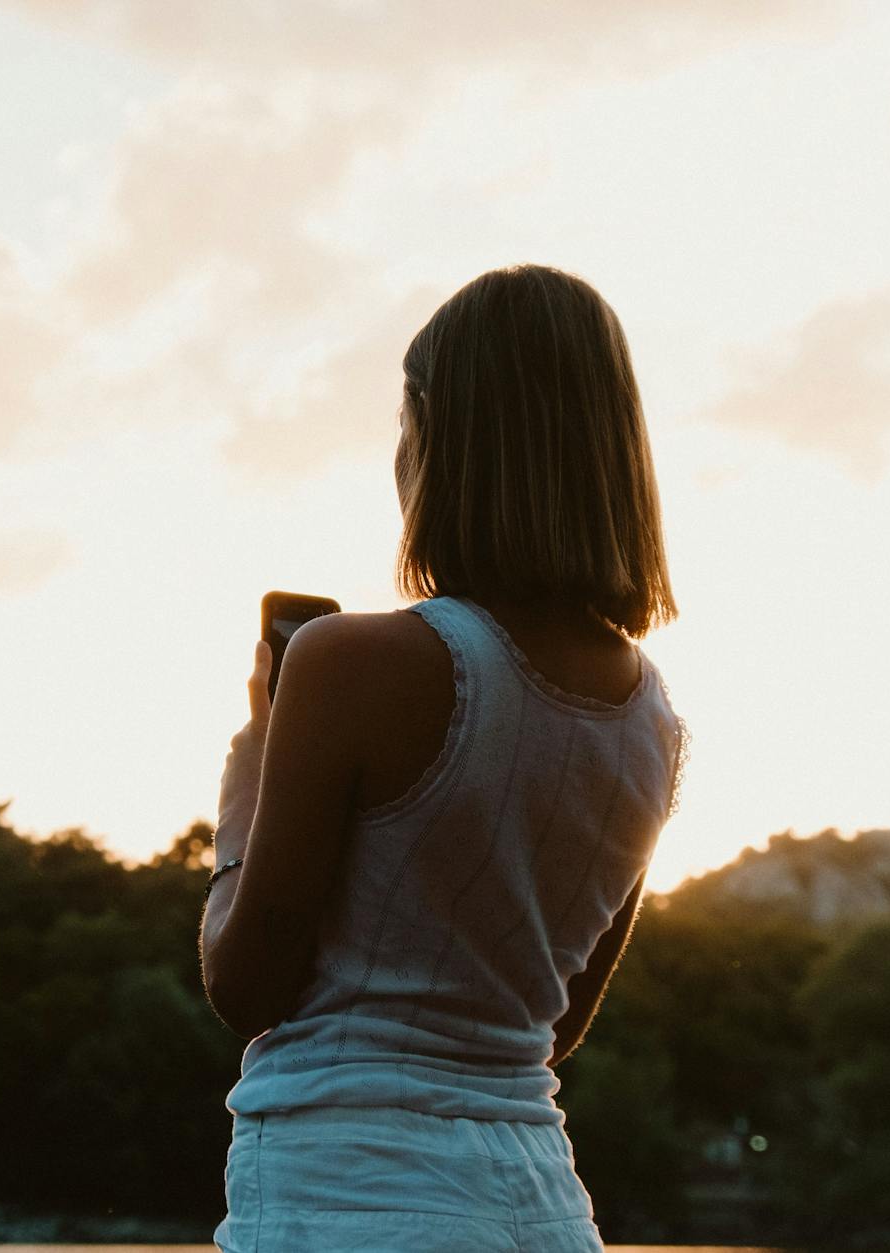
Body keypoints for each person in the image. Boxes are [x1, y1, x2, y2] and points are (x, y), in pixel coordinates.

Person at [199, 263, 690, 1252]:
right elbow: (549, 1029)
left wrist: (248, 779)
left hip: (354, 1198)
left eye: (402, 422)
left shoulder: (353, 662)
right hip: (544, 1207)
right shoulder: (653, 722)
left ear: (432, 432)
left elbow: (244, 983)